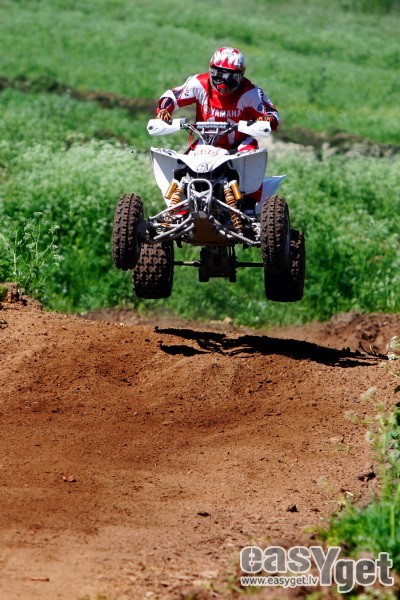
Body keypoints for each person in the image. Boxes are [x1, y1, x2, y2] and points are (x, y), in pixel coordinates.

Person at [156, 46, 280, 155]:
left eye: (231, 76)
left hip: (241, 146)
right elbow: (172, 95)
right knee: (181, 167)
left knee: (251, 163)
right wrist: (164, 110)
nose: (223, 82)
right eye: (218, 74)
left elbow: (272, 113)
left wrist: (268, 119)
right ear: (210, 70)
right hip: (205, 144)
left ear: (241, 76)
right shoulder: (199, 84)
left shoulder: (251, 92)